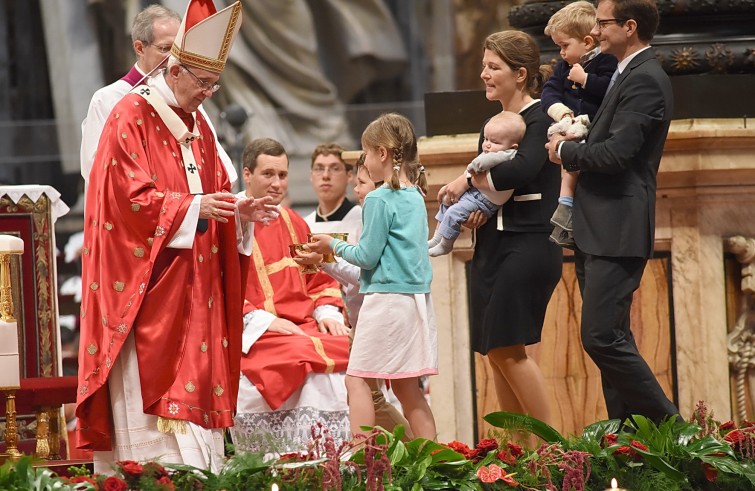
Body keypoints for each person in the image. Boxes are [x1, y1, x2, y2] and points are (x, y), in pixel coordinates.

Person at [75, 0, 278, 472]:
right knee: (157, 447)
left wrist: (237, 210)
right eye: (203, 83)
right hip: (148, 292)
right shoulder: (128, 116)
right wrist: (191, 207)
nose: (209, 93)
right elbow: (122, 200)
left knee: (200, 450)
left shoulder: (198, 124)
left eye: (215, 85)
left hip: (196, 290)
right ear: (175, 68)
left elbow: (217, 190)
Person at [546, 0, 680, 423]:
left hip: (617, 226)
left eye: (603, 24)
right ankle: (629, 445)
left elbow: (618, 154)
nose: (597, 32)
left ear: (629, 26)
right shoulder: (625, 73)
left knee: (601, 337)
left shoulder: (645, 80)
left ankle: (678, 434)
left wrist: (565, 150)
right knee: (612, 338)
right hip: (596, 226)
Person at [439, 31, 562, 430]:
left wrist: (465, 181)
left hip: (528, 245)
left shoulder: (543, 117)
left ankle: (556, 453)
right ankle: (516, 460)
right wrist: (477, 213)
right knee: (493, 351)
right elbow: (493, 187)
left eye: (494, 67)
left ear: (520, 74)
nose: (484, 74)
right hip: (492, 245)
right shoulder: (494, 124)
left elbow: (520, 170)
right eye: (484, 66)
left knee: (509, 349)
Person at [308, 113, 438, 441]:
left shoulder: (380, 198)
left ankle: (363, 458)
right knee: (408, 389)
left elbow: (366, 257)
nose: (363, 161)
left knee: (357, 380)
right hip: (416, 302)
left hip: (387, 302)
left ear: (382, 154)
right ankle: (435, 461)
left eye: (365, 153)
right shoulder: (415, 195)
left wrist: (331, 245)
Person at [231, 138, 352, 453]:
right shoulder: (230, 221)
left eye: (282, 175)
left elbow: (320, 279)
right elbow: (217, 289)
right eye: (268, 174)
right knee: (299, 352)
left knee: (352, 347)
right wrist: (264, 321)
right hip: (252, 331)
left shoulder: (292, 221)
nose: (276, 183)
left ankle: (344, 458)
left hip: (300, 325)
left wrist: (327, 313)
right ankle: (294, 456)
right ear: (247, 173)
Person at [300, 154, 414, 440]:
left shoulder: (371, 214)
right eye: (319, 169)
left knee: (371, 389)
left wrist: (326, 258)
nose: (356, 190)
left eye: (361, 183)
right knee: (385, 394)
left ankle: (395, 453)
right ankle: (415, 455)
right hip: (367, 315)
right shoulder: (386, 208)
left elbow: (366, 271)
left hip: (377, 313)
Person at [80, 4, 237, 186]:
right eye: (165, 48)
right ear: (140, 48)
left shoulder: (186, 99)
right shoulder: (110, 98)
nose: (173, 58)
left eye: (178, 48)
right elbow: (97, 169)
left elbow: (217, 162)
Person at [541, 0, 618, 248]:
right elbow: (549, 92)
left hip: (594, 129)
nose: (561, 53)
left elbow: (612, 89)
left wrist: (585, 79)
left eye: (565, 46)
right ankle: (566, 211)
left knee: (573, 168)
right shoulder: (563, 67)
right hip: (571, 125)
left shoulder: (606, 61)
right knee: (567, 167)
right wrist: (562, 113)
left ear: (587, 41)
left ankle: (566, 212)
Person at [427, 111, 526, 257]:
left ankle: (446, 244)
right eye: (485, 139)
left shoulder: (508, 155)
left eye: (495, 142)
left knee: (454, 213)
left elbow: (482, 163)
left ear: (513, 146)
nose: (487, 145)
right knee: (446, 200)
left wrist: (472, 167)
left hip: (485, 202)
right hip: (477, 193)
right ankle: (437, 238)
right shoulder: (493, 151)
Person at [304, 143, 362, 241]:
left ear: (349, 176)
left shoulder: (362, 220)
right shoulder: (304, 224)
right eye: (319, 169)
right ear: (311, 176)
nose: (325, 175)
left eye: (335, 168)